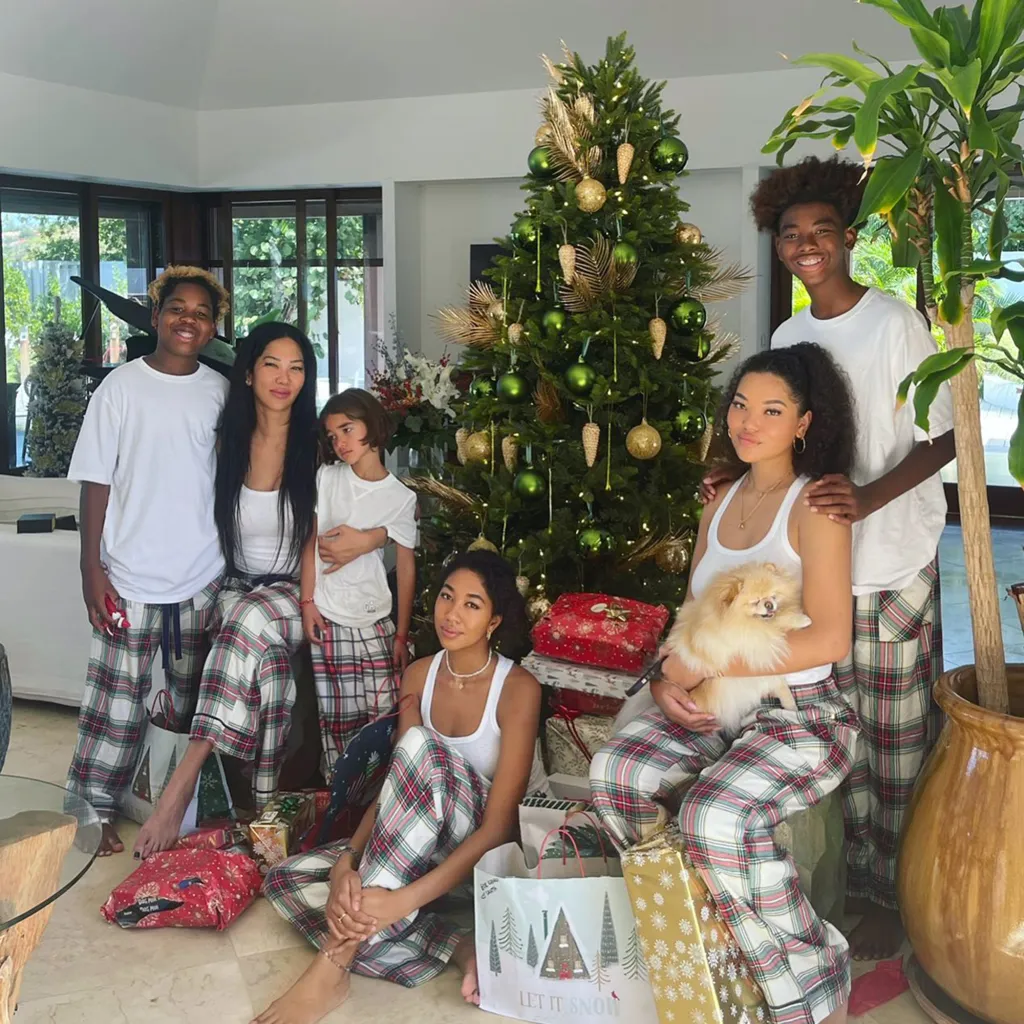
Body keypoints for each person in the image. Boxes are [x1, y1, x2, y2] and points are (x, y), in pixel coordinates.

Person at [705, 156, 954, 958]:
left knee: (898, 743)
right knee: (836, 740)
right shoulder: (788, 335)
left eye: (821, 231)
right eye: (790, 234)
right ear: (777, 245)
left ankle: (905, 900)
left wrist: (868, 499)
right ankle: (844, 889)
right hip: (812, 570)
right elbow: (786, 441)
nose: (806, 244)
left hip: (887, 561)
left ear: (849, 237)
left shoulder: (894, 324)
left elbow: (944, 437)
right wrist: (736, 476)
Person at [592, 343, 861, 1024]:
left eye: (772, 409)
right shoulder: (718, 502)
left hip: (800, 717)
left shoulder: (815, 506)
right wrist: (662, 680)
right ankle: (700, 943)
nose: (749, 421)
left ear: (804, 422)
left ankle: (812, 978)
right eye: (741, 403)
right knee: (615, 771)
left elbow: (829, 639)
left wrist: (709, 662)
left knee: (714, 817)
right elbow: (693, 620)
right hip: (714, 710)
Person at [253, 551, 545, 1024]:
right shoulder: (418, 674)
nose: (452, 614)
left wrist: (402, 901)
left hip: (474, 858)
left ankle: (334, 965)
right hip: (411, 848)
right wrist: (348, 862)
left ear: (494, 621)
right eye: (447, 597)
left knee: (422, 748)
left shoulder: (518, 689)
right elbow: (397, 783)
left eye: (472, 605)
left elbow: (499, 828)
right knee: (287, 880)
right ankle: (451, 942)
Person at [133, 324, 388, 858]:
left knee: (250, 620)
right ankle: (264, 812)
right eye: (272, 364)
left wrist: (374, 537)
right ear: (249, 373)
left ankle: (180, 787)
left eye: (296, 367)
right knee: (267, 666)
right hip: (235, 587)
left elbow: (383, 496)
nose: (284, 378)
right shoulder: (225, 439)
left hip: (300, 594)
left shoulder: (319, 445)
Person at [66, 266, 231, 856]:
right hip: (128, 576)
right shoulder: (121, 388)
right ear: (157, 314)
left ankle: (175, 806)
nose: (188, 319)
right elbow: (94, 481)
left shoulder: (220, 391)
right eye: (177, 308)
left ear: (214, 327)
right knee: (112, 708)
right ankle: (91, 811)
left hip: (200, 577)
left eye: (201, 313)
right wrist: (92, 567)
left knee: (190, 708)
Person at [301, 388, 417, 777]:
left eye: (347, 429)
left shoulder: (400, 498)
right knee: (337, 718)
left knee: (383, 714)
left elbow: (405, 567)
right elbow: (310, 541)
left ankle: (376, 801)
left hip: (375, 618)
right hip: (330, 615)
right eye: (333, 436)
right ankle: (338, 801)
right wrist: (307, 601)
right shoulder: (327, 477)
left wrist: (401, 635)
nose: (341, 442)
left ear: (372, 424)